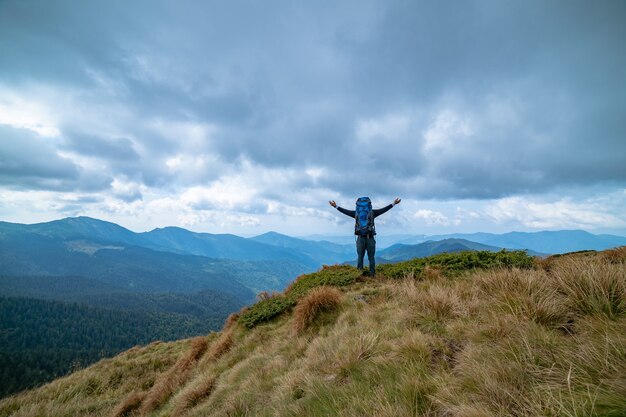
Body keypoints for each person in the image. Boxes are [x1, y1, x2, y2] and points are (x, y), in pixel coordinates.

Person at [329, 197, 401, 276]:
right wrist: (394, 203)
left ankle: (359, 275)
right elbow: (383, 210)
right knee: (371, 257)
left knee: (360, 257)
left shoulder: (356, 213)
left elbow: (345, 212)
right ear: (369, 205)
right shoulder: (372, 213)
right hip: (370, 237)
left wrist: (336, 206)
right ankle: (372, 275)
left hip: (360, 238)